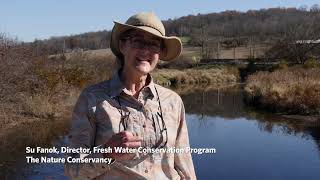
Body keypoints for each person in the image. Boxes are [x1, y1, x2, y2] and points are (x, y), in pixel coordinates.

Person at [64, 12, 196, 180]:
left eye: (154, 44)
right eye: (138, 41)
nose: (145, 50)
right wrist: (107, 153)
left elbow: (184, 164)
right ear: (122, 45)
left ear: (160, 52)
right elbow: (72, 170)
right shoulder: (92, 99)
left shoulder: (173, 101)